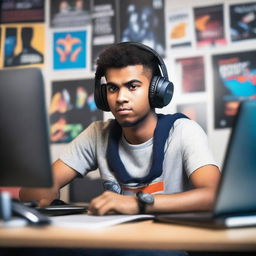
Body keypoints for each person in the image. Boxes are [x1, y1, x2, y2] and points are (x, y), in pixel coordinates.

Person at [19, 42, 220, 256]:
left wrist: (137, 204)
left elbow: (214, 195)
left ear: (156, 90)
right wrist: (45, 188)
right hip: (115, 241)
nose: (121, 98)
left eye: (132, 86)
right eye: (113, 88)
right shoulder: (97, 133)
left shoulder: (183, 131)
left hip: (166, 243)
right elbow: (29, 193)